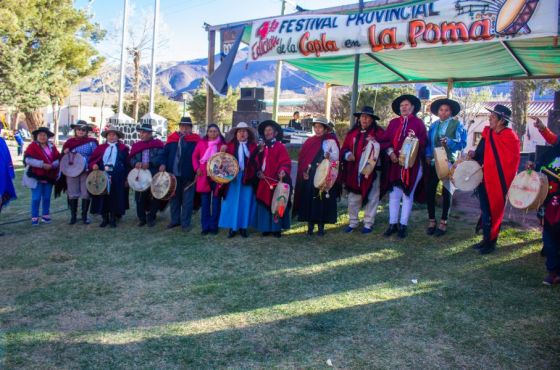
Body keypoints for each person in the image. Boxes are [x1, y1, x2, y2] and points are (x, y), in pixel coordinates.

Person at [469, 104, 520, 254]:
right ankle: (485, 239)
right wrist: (474, 155)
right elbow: (481, 153)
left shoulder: (510, 137)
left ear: (501, 121)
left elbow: (512, 161)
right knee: (485, 211)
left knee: (494, 212)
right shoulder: (488, 134)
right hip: (485, 179)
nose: (489, 119)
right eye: (490, 116)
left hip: (498, 181)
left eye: (493, 117)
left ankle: (491, 243)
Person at [381, 94, 427, 238]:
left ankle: (403, 225)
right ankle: (392, 224)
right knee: (394, 195)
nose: (404, 108)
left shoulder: (419, 123)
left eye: (407, 105)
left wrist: (415, 140)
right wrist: (390, 153)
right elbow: (385, 141)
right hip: (395, 164)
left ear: (412, 107)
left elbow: (424, 142)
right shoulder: (393, 123)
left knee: (407, 195)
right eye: (402, 106)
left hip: (411, 166)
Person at [425, 98, 467, 236]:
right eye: (441, 110)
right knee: (430, 190)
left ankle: (443, 222)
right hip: (433, 162)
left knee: (447, 193)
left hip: (448, 162)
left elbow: (462, 143)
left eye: (446, 110)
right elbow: (429, 143)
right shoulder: (433, 125)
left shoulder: (457, 125)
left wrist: (449, 142)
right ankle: (431, 220)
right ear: (437, 112)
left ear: (451, 112)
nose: (443, 112)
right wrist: (428, 155)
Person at [340, 106, 385, 234]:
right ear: (359, 119)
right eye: (362, 117)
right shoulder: (352, 133)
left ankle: (368, 223)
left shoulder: (378, 133)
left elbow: (386, 146)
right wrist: (348, 155)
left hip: (372, 172)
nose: (364, 119)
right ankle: (353, 222)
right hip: (354, 171)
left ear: (372, 119)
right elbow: (344, 149)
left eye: (367, 117)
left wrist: (376, 143)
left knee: (372, 197)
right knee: (353, 198)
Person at [294, 117, 340, 236]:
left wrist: (330, 157)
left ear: (325, 129)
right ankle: (310, 226)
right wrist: (304, 171)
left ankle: (321, 227)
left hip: (324, 174)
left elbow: (336, 157)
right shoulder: (309, 141)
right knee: (310, 199)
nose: (317, 129)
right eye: (315, 127)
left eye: (320, 127)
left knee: (322, 199)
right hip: (311, 174)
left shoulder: (331, 141)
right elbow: (304, 159)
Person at [528, 117, 560, 285]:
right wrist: (535, 167)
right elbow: (554, 139)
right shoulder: (557, 149)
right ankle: (553, 271)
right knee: (549, 236)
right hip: (550, 200)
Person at [218, 122, 258, 238]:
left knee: (245, 202)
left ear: (248, 134)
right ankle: (233, 227)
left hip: (248, 178)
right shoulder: (229, 146)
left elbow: (257, 162)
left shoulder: (253, 146)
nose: (242, 133)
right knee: (232, 202)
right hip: (233, 179)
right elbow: (221, 163)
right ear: (236, 134)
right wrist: (222, 152)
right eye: (239, 131)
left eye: (244, 131)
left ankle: (244, 227)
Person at [253, 120, 292, 238]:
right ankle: (265, 228)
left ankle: (276, 228)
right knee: (264, 203)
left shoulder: (280, 147)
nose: (267, 132)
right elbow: (255, 162)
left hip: (275, 180)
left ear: (275, 133)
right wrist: (258, 171)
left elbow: (286, 162)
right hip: (264, 181)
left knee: (277, 203)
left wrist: (283, 171)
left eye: (270, 130)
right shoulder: (261, 147)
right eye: (265, 130)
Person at [160, 116, 200, 231]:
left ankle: (185, 223)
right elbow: (163, 154)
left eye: (187, 126)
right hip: (173, 175)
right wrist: (162, 163)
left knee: (187, 201)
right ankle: (175, 220)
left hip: (189, 175)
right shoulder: (171, 139)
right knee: (174, 199)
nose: (184, 128)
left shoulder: (196, 140)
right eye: (182, 126)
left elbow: (200, 156)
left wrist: (197, 170)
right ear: (179, 127)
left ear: (191, 128)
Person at [88, 126, 130, 228]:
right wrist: (94, 165)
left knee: (115, 197)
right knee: (103, 196)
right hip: (103, 174)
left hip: (117, 176)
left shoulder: (123, 148)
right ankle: (104, 218)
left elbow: (127, 163)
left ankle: (113, 218)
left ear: (118, 137)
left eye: (114, 135)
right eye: (109, 135)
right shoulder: (101, 148)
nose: (111, 137)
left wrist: (126, 178)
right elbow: (93, 160)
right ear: (106, 136)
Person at [62, 120, 98, 225]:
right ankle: (73, 216)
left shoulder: (92, 142)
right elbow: (63, 157)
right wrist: (65, 153)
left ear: (86, 131)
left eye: (83, 129)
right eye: (79, 129)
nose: (81, 131)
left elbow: (96, 155)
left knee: (86, 192)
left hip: (86, 170)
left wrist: (92, 165)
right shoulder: (69, 142)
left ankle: (84, 216)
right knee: (72, 193)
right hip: (72, 169)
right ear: (75, 130)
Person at [129, 122, 165, 227]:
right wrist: (136, 163)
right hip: (140, 174)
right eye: (140, 132)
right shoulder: (136, 146)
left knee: (155, 195)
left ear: (150, 133)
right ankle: (141, 218)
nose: (141, 134)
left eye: (143, 132)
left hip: (154, 173)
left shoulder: (158, 145)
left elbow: (160, 157)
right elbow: (131, 159)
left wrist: (149, 164)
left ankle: (151, 216)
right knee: (139, 197)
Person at [192, 124, 225, 235]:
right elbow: (194, 157)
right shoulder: (201, 144)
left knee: (216, 203)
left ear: (218, 132)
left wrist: (224, 151)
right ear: (207, 132)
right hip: (204, 176)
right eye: (210, 131)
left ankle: (214, 226)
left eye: (215, 131)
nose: (212, 133)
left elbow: (226, 161)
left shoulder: (223, 145)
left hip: (217, 177)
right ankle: (205, 227)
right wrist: (197, 168)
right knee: (205, 203)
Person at [23, 127, 60, 226]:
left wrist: (52, 165)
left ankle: (45, 216)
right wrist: (42, 165)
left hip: (49, 176)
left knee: (47, 197)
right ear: (37, 136)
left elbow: (58, 159)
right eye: (40, 135)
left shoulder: (52, 147)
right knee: (36, 198)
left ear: (47, 137)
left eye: (44, 135)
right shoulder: (32, 146)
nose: (42, 137)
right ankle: (35, 217)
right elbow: (28, 160)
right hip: (35, 176)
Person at [0, 128, 17, 236]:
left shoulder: (1, 141)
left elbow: (7, 157)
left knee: (2, 199)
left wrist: (10, 171)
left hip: (2, 176)